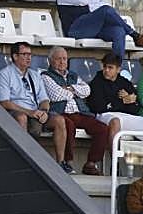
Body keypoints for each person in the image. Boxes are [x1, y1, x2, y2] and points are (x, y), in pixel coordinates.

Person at [41, 46, 112, 175]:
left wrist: (69, 88)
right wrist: (75, 91)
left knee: (102, 128)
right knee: (68, 125)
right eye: (58, 59)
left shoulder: (73, 75)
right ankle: (68, 162)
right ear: (50, 61)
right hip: (61, 112)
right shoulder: (46, 76)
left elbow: (87, 91)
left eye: (64, 59)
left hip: (80, 112)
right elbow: (56, 95)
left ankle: (91, 163)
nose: (62, 62)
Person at [0, 41, 68, 152]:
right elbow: (4, 102)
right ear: (15, 56)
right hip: (16, 112)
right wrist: (29, 112)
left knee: (59, 120)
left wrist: (43, 111)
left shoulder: (35, 75)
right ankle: (24, 156)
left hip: (35, 112)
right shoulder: (4, 74)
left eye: (30, 54)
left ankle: (61, 161)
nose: (28, 58)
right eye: (24, 54)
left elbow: (44, 99)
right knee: (22, 118)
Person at [87, 52, 143, 133]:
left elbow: (135, 109)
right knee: (115, 122)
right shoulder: (96, 82)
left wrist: (130, 101)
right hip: (104, 115)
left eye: (110, 67)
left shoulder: (124, 82)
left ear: (118, 69)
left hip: (124, 116)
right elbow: (99, 108)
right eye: (105, 66)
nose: (106, 70)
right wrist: (122, 101)